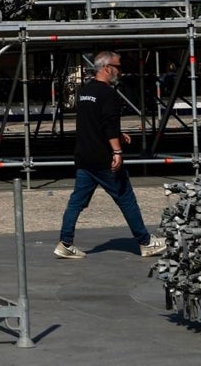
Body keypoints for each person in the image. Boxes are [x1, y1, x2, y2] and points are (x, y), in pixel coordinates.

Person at [54, 51, 167, 260]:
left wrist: (117, 133)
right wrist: (117, 150)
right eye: (118, 67)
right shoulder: (108, 94)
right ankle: (145, 242)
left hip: (84, 157)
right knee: (126, 198)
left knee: (76, 202)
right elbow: (107, 123)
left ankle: (65, 243)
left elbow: (93, 121)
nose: (120, 71)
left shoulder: (84, 91)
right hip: (103, 158)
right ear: (107, 68)